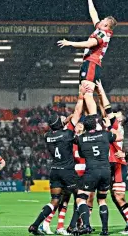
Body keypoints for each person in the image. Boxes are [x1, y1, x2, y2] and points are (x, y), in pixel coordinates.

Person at [28, 87, 85, 235]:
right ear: (60, 124)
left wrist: (64, 120)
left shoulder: (48, 136)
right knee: (81, 196)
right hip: (67, 171)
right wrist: (81, 96)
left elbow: (60, 125)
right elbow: (77, 113)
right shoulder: (67, 134)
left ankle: (35, 225)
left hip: (55, 171)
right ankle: (73, 226)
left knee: (54, 200)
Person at [57, 0, 117, 116]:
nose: (100, 21)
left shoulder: (102, 35)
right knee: (83, 93)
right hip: (89, 64)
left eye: (103, 20)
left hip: (91, 64)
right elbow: (93, 14)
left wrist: (69, 43)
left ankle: (93, 121)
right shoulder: (101, 30)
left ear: (106, 25)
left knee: (87, 93)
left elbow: (89, 44)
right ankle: (86, 121)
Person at [96, 80, 128, 234]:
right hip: (112, 163)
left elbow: (107, 109)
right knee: (115, 197)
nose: (113, 114)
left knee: (118, 196)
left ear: (119, 119)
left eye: (116, 114)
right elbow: (104, 110)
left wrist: (101, 89)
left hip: (117, 164)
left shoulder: (115, 125)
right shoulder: (111, 125)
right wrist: (98, 96)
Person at [71, 114, 123, 235]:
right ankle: (105, 230)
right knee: (102, 200)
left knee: (81, 199)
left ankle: (86, 225)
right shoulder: (105, 134)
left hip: (91, 172)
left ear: (85, 126)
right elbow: (120, 136)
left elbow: (82, 155)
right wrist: (109, 127)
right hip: (106, 171)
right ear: (96, 125)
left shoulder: (81, 138)